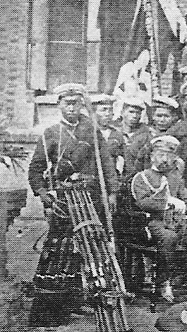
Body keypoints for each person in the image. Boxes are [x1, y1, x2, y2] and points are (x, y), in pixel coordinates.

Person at [28, 83, 119, 327]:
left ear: (81, 105)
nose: (71, 108)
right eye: (67, 103)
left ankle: (83, 297)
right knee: (62, 249)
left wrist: (111, 193)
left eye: (76, 103)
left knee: (90, 247)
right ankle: (55, 305)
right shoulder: (51, 133)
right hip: (64, 201)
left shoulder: (92, 131)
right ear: (59, 105)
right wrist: (44, 194)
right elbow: (36, 169)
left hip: (90, 199)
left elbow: (106, 164)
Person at [131, 135, 187, 303]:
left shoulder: (175, 178)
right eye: (160, 155)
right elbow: (142, 203)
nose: (165, 160)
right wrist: (167, 203)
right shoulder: (142, 177)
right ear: (152, 156)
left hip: (181, 227)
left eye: (169, 156)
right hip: (155, 225)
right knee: (169, 238)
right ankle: (163, 282)